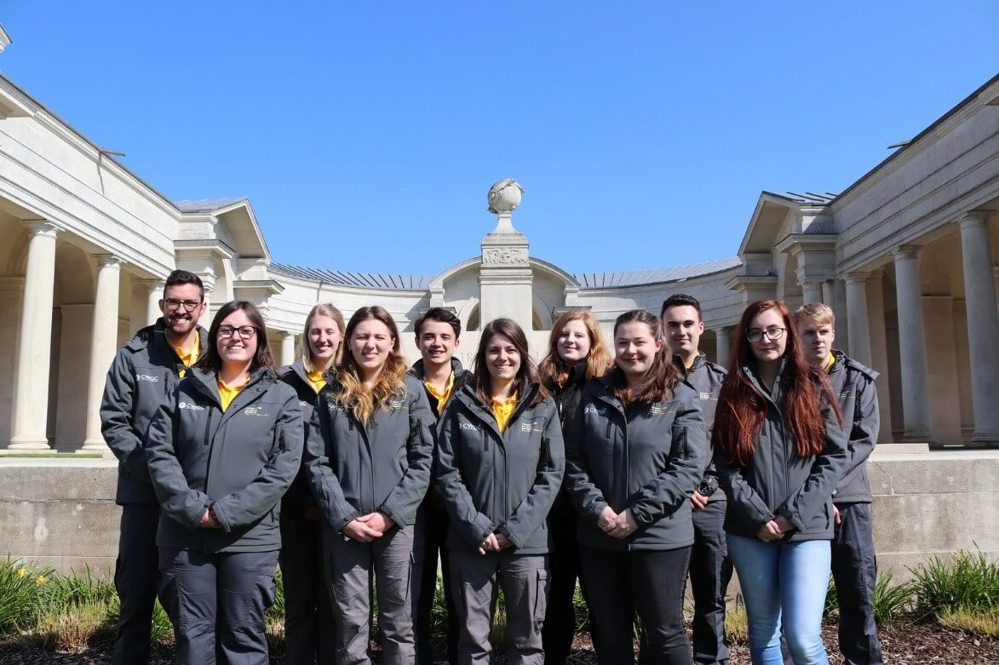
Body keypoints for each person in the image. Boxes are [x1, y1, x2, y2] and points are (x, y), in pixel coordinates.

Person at [146, 300, 304, 665]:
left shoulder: (281, 396)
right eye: (227, 329)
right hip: (185, 536)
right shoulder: (184, 390)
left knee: (243, 637)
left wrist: (225, 512)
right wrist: (194, 510)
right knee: (192, 637)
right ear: (214, 336)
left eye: (245, 330)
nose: (236, 337)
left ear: (259, 338)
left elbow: (283, 467)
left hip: (249, 540)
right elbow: (160, 453)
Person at [566, 309, 705, 665]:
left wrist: (637, 515)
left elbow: (687, 467)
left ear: (658, 345)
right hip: (600, 537)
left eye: (639, 342)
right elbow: (572, 460)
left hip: (660, 538)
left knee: (664, 634)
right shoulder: (594, 394)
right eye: (623, 342)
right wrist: (598, 510)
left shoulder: (679, 395)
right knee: (610, 635)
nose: (631, 350)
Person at [712, 300, 847, 665]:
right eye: (756, 332)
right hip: (749, 530)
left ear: (788, 332)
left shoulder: (812, 383)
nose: (765, 338)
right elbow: (725, 463)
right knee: (764, 633)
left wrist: (792, 515)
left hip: (807, 528)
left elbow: (835, 456)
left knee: (803, 638)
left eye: (773, 330)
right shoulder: (734, 389)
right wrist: (758, 517)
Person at [305, 305, 435, 665]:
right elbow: (317, 461)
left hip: (398, 528)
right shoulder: (330, 393)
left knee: (399, 623)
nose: (370, 344)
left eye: (379, 337)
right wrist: (343, 516)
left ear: (392, 341)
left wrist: (391, 514)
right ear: (349, 341)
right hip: (345, 528)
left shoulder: (411, 391)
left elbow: (423, 459)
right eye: (362, 336)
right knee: (350, 624)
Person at [436, 318, 565, 665]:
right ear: (483, 356)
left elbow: (552, 472)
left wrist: (515, 530)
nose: (502, 357)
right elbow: (447, 471)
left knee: (527, 642)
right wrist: (476, 526)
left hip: (528, 544)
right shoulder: (460, 405)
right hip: (470, 543)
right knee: (473, 641)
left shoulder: (543, 405)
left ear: (522, 354)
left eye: (510, 349)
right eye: (494, 350)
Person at [100, 269, 207, 665]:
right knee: (136, 593)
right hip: (144, 495)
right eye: (173, 302)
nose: (181, 310)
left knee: (191, 600)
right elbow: (114, 421)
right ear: (162, 305)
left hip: (198, 498)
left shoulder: (218, 356)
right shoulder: (134, 355)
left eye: (189, 303)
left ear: (201, 307)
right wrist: (158, 474)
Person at [795, 303, 884, 665]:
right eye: (808, 333)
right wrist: (812, 494)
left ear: (833, 333)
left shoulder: (858, 380)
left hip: (849, 499)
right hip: (799, 501)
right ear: (797, 337)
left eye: (823, 332)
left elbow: (863, 441)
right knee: (797, 603)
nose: (817, 339)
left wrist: (826, 488)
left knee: (858, 592)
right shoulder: (787, 380)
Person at [537, 310, 612, 664]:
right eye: (564, 335)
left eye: (578, 335)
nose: (570, 341)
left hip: (596, 508)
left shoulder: (608, 384)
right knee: (555, 598)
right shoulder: (542, 385)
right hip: (553, 512)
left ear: (593, 341)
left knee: (602, 599)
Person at [660, 294, 733, 665]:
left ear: (701, 328)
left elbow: (732, 445)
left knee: (711, 596)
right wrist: (676, 488)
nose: (681, 331)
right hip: (664, 506)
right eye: (673, 324)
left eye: (688, 324)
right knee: (664, 602)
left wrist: (703, 487)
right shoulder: (648, 380)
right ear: (662, 330)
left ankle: (711, 659)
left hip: (711, 503)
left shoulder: (723, 382)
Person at [279, 303, 345, 665]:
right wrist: (300, 503)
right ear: (306, 335)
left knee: (339, 602)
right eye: (315, 331)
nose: (322, 338)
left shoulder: (350, 381)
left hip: (341, 514)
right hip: (296, 512)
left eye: (329, 331)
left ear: (341, 336)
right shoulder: (284, 382)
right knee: (300, 601)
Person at [409, 307, 472, 665]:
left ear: (456, 342)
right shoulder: (401, 386)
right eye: (429, 336)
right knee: (414, 595)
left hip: (459, 506)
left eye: (444, 337)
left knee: (461, 595)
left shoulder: (473, 386)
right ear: (418, 341)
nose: (436, 343)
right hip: (414, 508)